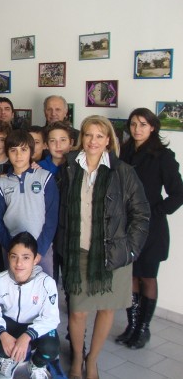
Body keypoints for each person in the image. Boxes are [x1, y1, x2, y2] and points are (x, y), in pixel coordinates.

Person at [56, 115, 150, 379]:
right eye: (88, 134)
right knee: (77, 312)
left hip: (113, 254)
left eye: (99, 135)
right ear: (81, 138)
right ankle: (77, 358)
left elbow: (141, 214)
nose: (93, 141)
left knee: (107, 309)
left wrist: (130, 250)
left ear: (108, 140)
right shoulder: (69, 167)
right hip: (78, 252)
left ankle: (93, 360)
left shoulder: (123, 171)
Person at [117, 108, 183, 349]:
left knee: (147, 276)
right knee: (131, 275)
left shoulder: (162, 156)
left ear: (152, 127)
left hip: (151, 227)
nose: (137, 129)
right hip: (126, 224)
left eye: (143, 124)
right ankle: (132, 325)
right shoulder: (124, 152)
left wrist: (155, 211)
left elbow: (178, 194)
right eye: (134, 124)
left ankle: (143, 329)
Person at [0, 232, 60, 379]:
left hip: (34, 326)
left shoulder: (46, 283)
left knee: (51, 348)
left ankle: (36, 365)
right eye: (14, 257)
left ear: (35, 259)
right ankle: (9, 359)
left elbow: (51, 318)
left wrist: (27, 336)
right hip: (9, 324)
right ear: (8, 257)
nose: (19, 263)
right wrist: (2, 334)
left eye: (26, 257)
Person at [0, 130, 59, 276]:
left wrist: (40, 249)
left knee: (43, 285)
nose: (18, 155)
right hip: (12, 249)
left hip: (41, 248)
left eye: (23, 150)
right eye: (13, 150)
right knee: (13, 285)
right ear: (7, 152)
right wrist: (11, 247)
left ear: (31, 151)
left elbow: (51, 217)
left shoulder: (45, 177)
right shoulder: (2, 183)